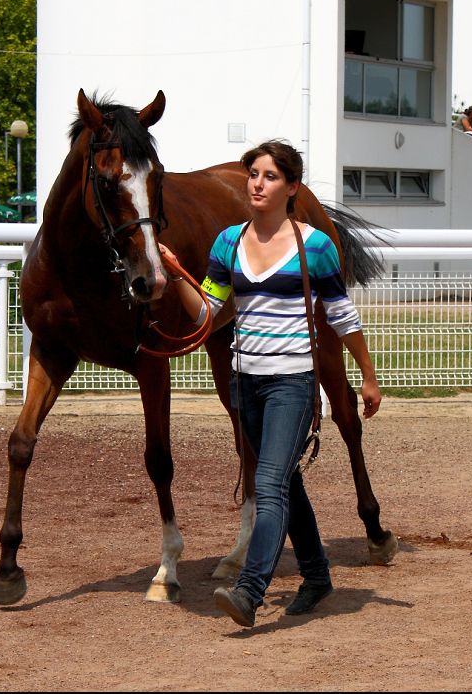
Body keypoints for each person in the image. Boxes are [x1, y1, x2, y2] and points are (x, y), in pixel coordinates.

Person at [161, 140, 381, 628]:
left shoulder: (315, 246)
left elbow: (341, 315)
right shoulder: (227, 244)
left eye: (269, 176)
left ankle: (250, 590)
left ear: (291, 188)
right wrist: (176, 275)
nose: (257, 184)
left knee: (267, 482)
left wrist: (366, 374)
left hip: (293, 383)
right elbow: (209, 314)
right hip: (246, 383)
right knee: (287, 481)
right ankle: (318, 575)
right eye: (253, 175)